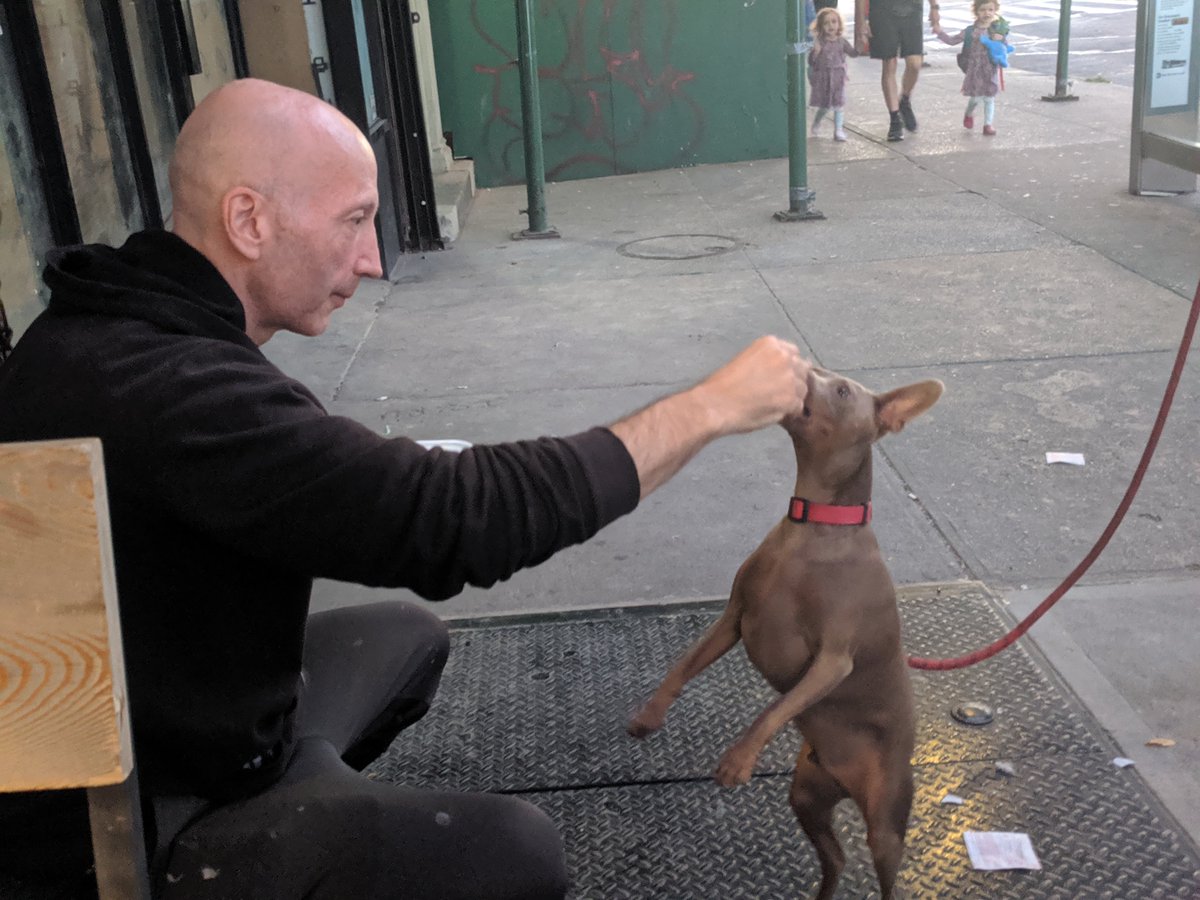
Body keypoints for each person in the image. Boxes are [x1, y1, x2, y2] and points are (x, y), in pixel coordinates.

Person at [0, 78, 812, 899]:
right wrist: (712, 407)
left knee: (404, 635)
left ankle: (313, 812)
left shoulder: (104, 326)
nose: (373, 258)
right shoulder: (177, 390)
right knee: (514, 853)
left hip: (158, 723)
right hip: (133, 831)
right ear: (249, 221)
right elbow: (459, 522)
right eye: (353, 220)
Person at [854, 0, 942, 141]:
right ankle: (895, 119)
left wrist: (934, 7)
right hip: (882, 9)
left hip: (912, 9)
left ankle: (904, 99)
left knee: (914, 63)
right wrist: (861, 22)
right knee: (889, 62)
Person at [935, 0, 1011, 135]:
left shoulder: (997, 29)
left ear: (995, 11)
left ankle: (988, 125)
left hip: (990, 68)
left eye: (990, 10)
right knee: (976, 98)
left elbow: (1003, 48)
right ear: (976, 12)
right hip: (974, 69)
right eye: (983, 10)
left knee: (989, 97)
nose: (986, 13)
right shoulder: (970, 31)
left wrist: (1001, 39)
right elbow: (953, 41)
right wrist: (940, 33)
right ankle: (969, 114)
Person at [809, 7, 861, 142]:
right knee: (825, 106)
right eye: (826, 23)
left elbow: (853, 53)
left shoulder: (841, 41)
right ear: (820, 26)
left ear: (839, 24)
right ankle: (816, 122)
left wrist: (860, 45)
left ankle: (838, 131)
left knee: (839, 104)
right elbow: (811, 62)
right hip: (824, 78)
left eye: (833, 22)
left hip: (838, 77)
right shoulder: (819, 42)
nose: (831, 25)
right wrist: (815, 52)